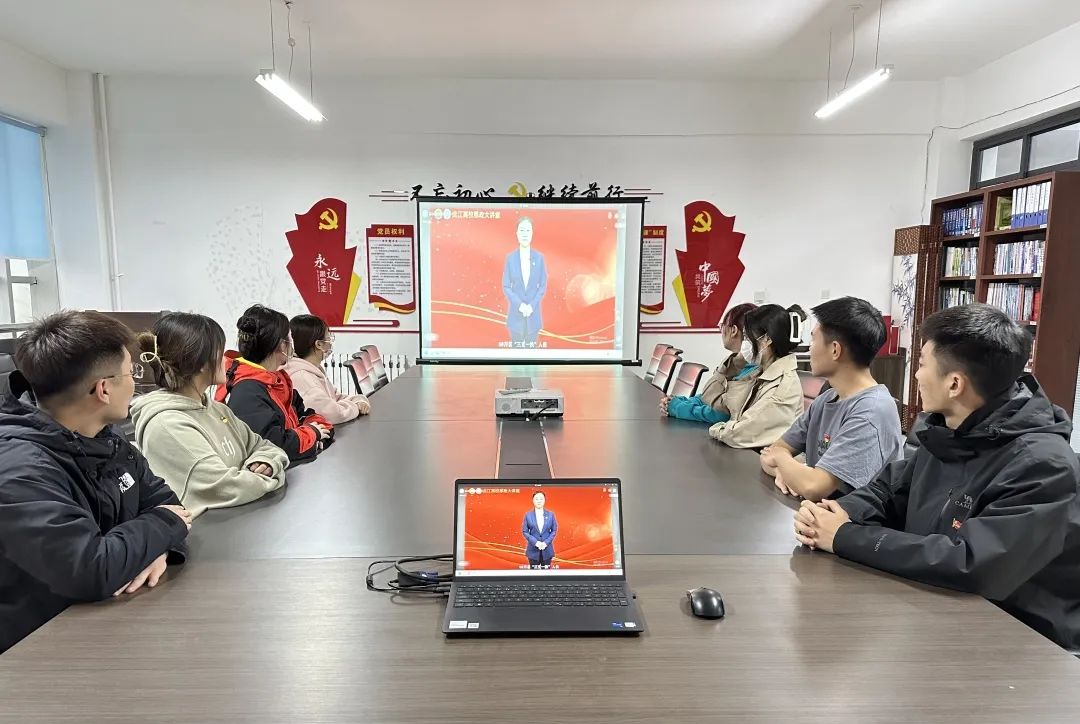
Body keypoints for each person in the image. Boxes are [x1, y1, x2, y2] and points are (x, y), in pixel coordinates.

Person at [794, 304, 1080, 651]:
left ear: (954, 383)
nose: (915, 375)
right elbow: (889, 490)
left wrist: (844, 536)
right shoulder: (949, 430)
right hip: (936, 612)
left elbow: (971, 563)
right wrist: (838, 512)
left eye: (922, 364)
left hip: (1020, 642)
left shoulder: (1043, 466)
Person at [0, 311, 192, 653]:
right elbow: (91, 568)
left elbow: (166, 502)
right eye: (131, 372)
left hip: (111, 625)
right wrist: (162, 528)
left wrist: (157, 549)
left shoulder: (106, 437)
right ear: (103, 389)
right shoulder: (20, 469)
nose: (135, 382)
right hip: (39, 652)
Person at [131, 312, 289, 518]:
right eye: (220, 352)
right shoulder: (168, 425)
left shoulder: (217, 410)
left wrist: (266, 462)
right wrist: (272, 476)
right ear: (201, 362)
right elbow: (226, 488)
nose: (226, 359)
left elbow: (265, 446)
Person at [760, 296, 902, 501]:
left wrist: (783, 460)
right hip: (814, 513)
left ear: (835, 349)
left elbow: (814, 487)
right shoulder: (826, 399)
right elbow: (771, 452)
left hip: (850, 519)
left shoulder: (872, 411)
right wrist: (786, 473)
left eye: (813, 340)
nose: (809, 348)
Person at [215, 305, 334, 464]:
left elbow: (306, 415)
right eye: (289, 337)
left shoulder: (276, 379)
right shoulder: (247, 390)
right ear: (281, 345)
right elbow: (273, 445)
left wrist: (315, 434)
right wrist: (313, 434)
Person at [705, 304, 806, 448]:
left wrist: (717, 429)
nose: (744, 343)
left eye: (747, 337)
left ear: (767, 339)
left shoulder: (781, 387)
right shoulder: (760, 373)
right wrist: (733, 364)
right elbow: (713, 400)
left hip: (761, 458)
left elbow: (736, 434)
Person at [660, 302, 759, 424]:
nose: (721, 331)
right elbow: (709, 396)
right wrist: (680, 402)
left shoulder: (753, 369)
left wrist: (679, 408)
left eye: (722, 326)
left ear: (733, 330)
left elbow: (721, 413)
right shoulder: (734, 362)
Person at [284, 314, 371, 425]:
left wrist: (358, 399)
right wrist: (355, 407)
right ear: (319, 344)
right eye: (328, 337)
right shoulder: (302, 377)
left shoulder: (313, 369)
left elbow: (335, 397)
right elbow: (332, 414)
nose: (330, 342)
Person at [502, 216, 547, 348]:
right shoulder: (510, 258)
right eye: (522, 230)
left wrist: (531, 306)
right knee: (516, 355)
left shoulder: (539, 258)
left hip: (533, 317)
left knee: (531, 356)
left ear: (532, 233)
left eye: (528, 230)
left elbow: (542, 285)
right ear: (517, 233)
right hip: (515, 318)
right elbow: (506, 286)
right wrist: (520, 305)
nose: (525, 234)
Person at [521, 491, 558, 569]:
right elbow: (525, 531)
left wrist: (546, 543)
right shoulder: (528, 515)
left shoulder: (551, 515)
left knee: (546, 574)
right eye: (536, 499)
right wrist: (536, 542)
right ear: (533, 500)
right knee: (534, 575)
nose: (539, 501)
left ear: (544, 500)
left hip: (547, 550)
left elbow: (554, 530)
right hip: (533, 550)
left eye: (541, 499)